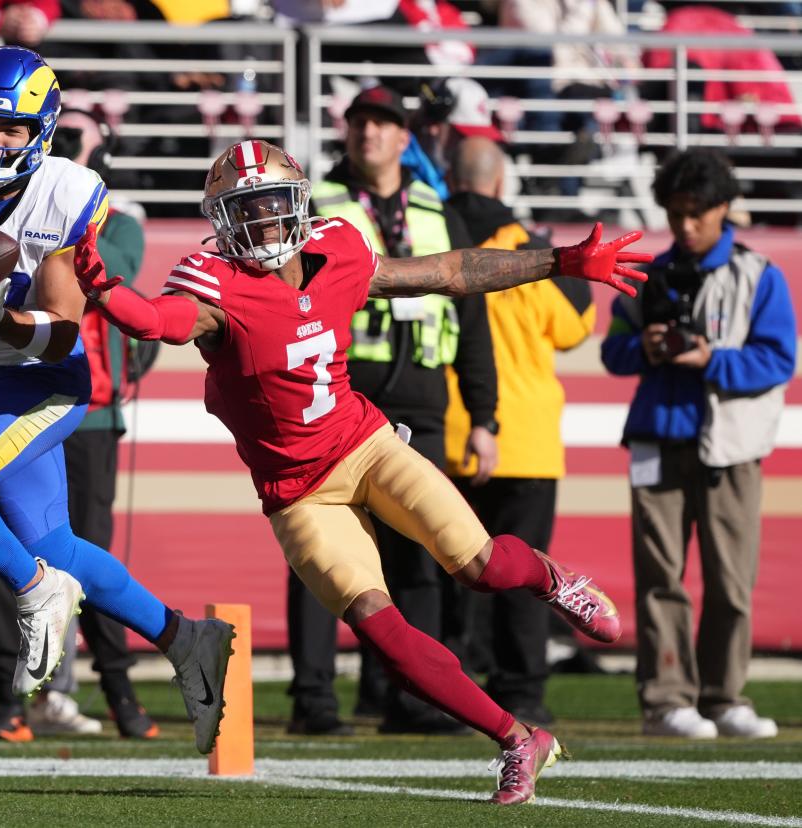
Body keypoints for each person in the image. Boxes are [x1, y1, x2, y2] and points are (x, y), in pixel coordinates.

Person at [75, 138, 647, 804]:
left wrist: (560, 261)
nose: (261, 221)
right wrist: (106, 290)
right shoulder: (214, 280)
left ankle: (552, 578)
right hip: (297, 495)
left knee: (480, 565)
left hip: (366, 445)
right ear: (224, 219)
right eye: (245, 209)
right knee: (387, 637)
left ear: (296, 204)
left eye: (270, 204)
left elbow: (450, 272)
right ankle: (519, 739)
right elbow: (159, 321)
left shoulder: (340, 247)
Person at [0, 46, 234, 756]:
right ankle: (186, 639)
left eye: (10, 130)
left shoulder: (66, 192)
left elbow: (62, 329)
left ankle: (38, 588)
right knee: (57, 543)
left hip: (48, 382)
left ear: (43, 128)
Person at [302, 83, 497, 736]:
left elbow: (471, 315)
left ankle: (414, 701)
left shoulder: (433, 205)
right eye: (360, 123)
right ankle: (314, 702)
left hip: (421, 396)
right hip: (338, 395)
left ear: (404, 138)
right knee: (326, 552)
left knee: (421, 552)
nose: (370, 134)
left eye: (384, 124)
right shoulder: (315, 204)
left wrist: (486, 417)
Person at [0, 107, 159, 742]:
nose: (69, 147)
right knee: (5, 551)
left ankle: (119, 689)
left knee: (84, 550)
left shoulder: (110, 217)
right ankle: (6, 696)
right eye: (63, 134)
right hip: (17, 396)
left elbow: (96, 272)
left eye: (80, 137)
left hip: (90, 407)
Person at [600, 148, 796, 740]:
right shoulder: (646, 272)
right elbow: (614, 351)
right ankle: (665, 702)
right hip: (656, 438)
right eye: (676, 213)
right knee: (660, 577)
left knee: (731, 580)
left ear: (723, 209)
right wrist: (649, 350)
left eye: (696, 214)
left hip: (732, 447)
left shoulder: (760, 274)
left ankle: (723, 697)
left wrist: (713, 359)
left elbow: (778, 359)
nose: (684, 226)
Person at [443, 136, 596, 726]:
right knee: (531, 581)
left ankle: (451, 694)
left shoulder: (438, 242)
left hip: (454, 435)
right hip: (527, 441)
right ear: (502, 184)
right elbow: (576, 327)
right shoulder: (529, 256)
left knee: (451, 576)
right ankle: (523, 691)